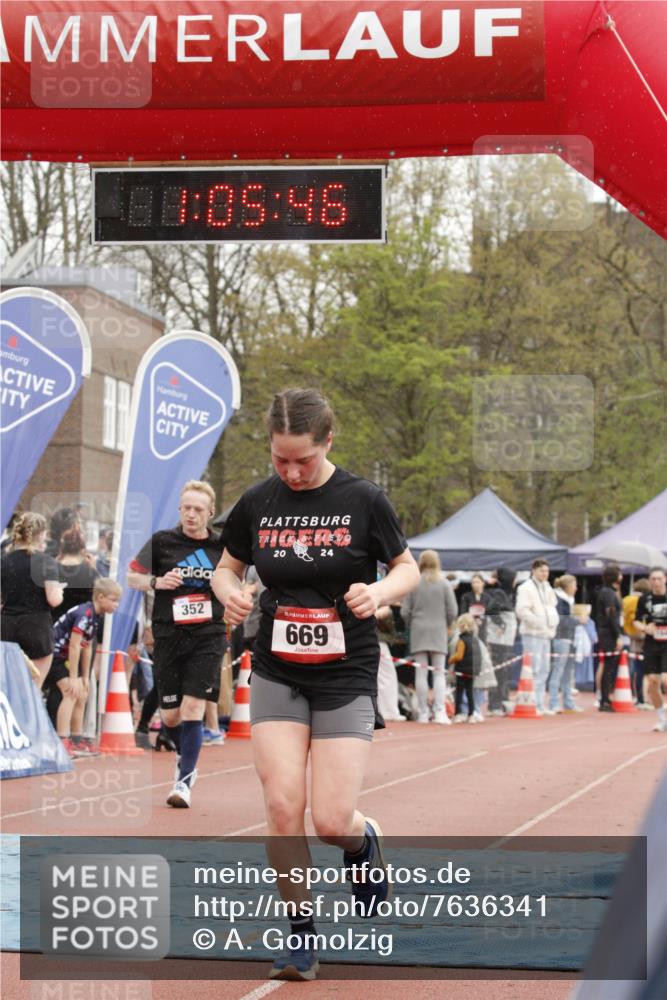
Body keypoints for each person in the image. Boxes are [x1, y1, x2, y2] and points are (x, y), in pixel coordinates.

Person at [212, 387, 419, 981]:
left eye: (302, 458)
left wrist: (378, 592)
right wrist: (231, 595)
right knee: (282, 808)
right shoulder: (258, 501)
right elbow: (228, 568)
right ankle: (301, 936)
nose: (291, 472)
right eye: (280, 459)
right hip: (276, 668)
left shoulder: (363, 499)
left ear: (328, 441)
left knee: (331, 821)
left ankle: (363, 841)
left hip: (345, 671)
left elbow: (405, 566)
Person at [127, 480, 227, 808]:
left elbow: (238, 579)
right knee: (170, 717)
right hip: (169, 635)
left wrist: (237, 597)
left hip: (208, 635)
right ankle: (186, 762)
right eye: (186, 508)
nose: (191, 514)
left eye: (198, 509)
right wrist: (156, 581)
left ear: (210, 513)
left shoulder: (222, 547)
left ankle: (183, 783)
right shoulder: (162, 542)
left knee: (193, 708)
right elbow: (132, 576)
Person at [45, 579, 122, 756]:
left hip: (65, 657)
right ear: (100, 597)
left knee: (82, 694)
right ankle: (62, 740)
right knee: (70, 693)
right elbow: (74, 645)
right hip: (54, 655)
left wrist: (85, 677)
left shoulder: (96, 616)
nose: (116, 605)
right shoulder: (84, 613)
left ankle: (76, 739)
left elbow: (86, 647)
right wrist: (73, 677)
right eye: (113, 600)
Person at [0, 512, 64, 686]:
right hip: (37, 630)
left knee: (7, 686)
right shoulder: (45, 561)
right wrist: (59, 590)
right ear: (41, 534)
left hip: (7, 628)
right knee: (34, 688)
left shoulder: (4, 562)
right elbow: (53, 599)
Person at [401, 549, 457, 724]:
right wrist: (446, 623)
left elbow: (404, 611)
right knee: (439, 673)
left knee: (421, 673)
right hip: (439, 630)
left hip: (419, 630)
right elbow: (452, 610)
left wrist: (411, 623)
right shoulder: (444, 583)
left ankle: (423, 712)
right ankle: (440, 711)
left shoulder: (414, 583)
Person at [515, 559, 558, 714]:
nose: (545, 574)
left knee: (544, 669)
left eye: (546, 571)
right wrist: (539, 623)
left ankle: (540, 703)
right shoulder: (526, 588)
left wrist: (552, 625)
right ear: (533, 571)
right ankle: (531, 703)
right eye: (541, 571)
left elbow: (552, 607)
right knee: (533, 669)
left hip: (546, 634)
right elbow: (522, 610)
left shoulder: (547, 587)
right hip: (532, 633)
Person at [633, 567, 667, 733]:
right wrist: (646, 628)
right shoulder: (645, 599)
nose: (656, 582)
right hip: (652, 644)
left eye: (659, 578)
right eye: (653, 579)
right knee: (653, 681)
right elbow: (636, 621)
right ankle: (662, 718)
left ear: (665, 579)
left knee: (666, 680)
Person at [546, 574, 583, 714]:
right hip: (561, 638)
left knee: (568, 673)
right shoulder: (559, 601)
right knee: (558, 671)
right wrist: (579, 621)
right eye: (574, 585)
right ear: (567, 586)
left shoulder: (569, 600)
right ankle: (553, 702)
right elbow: (561, 621)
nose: (576, 588)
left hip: (570, 638)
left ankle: (568, 702)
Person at [484, 567, 517, 716]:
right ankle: (494, 704)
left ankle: (502, 701)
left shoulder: (507, 594)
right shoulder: (499, 593)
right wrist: (501, 625)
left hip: (505, 640)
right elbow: (490, 610)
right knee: (498, 671)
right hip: (498, 640)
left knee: (504, 672)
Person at [594, 564, 624, 712]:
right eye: (620, 574)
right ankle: (605, 700)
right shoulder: (609, 594)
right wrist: (618, 635)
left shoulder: (607, 592)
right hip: (608, 634)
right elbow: (611, 615)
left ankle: (605, 698)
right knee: (609, 667)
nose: (622, 576)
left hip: (605, 632)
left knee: (608, 666)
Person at [52, 526, 98, 619]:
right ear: (83, 550)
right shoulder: (89, 573)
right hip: (80, 625)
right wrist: (94, 569)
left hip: (55, 625)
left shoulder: (51, 570)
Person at [623, 578, 650, 706]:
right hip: (642, 636)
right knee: (642, 670)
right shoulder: (642, 601)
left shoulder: (626, 600)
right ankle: (641, 697)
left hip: (629, 635)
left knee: (633, 668)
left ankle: (634, 694)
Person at [450, 613, 480, 723]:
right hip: (472, 670)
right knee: (470, 692)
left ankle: (458, 713)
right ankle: (471, 713)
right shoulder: (475, 639)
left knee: (459, 692)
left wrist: (450, 660)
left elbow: (459, 655)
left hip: (462, 670)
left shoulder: (462, 640)